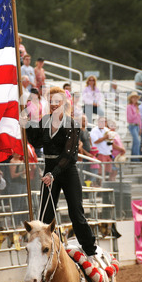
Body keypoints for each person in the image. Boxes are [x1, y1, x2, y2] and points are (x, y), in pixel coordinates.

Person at [21, 86, 98, 257]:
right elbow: (35, 140)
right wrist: (27, 123)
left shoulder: (72, 124)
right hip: (49, 170)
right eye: (51, 101)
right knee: (45, 215)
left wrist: (53, 174)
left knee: (76, 213)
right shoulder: (45, 120)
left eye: (57, 101)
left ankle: (90, 250)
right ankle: (47, 251)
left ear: (64, 103)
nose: (54, 104)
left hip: (67, 171)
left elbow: (69, 154)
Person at [8, 153, 27, 227]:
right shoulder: (13, 161)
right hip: (16, 184)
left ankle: (20, 221)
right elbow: (13, 175)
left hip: (22, 183)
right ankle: (15, 223)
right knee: (16, 204)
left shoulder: (21, 161)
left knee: (22, 204)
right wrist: (22, 172)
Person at [127, 91, 142, 160]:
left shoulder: (136, 107)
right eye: (134, 98)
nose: (135, 99)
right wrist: (136, 113)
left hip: (137, 126)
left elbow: (139, 119)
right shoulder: (129, 107)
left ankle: (134, 158)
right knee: (137, 141)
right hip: (132, 126)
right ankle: (136, 158)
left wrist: (140, 127)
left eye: (136, 98)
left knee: (136, 142)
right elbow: (130, 118)